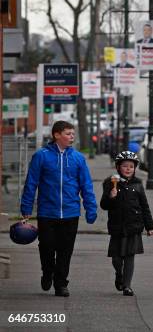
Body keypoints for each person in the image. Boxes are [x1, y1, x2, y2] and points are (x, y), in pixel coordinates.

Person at [20, 120, 97, 297]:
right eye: (68, 134)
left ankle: (61, 283)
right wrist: (26, 207)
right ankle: (47, 273)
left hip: (71, 212)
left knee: (65, 250)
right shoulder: (42, 156)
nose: (72, 137)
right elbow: (31, 183)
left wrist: (90, 208)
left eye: (73, 134)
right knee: (46, 246)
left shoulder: (78, 158)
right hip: (47, 212)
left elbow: (86, 185)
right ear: (57, 135)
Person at [100, 151, 153, 296]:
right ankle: (119, 273)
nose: (129, 169)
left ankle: (127, 286)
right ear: (118, 167)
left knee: (130, 256)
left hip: (134, 226)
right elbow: (104, 205)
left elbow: (144, 206)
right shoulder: (110, 182)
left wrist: (150, 226)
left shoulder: (138, 184)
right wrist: (111, 197)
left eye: (131, 166)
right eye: (125, 166)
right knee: (116, 258)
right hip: (117, 226)